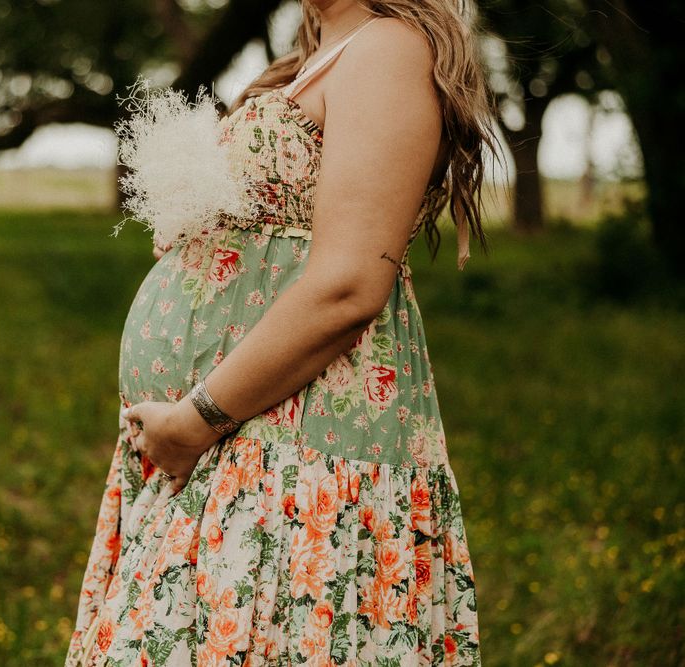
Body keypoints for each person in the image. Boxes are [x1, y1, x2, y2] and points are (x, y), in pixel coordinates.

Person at [66, 0, 496, 664]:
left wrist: (198, 416)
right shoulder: (310, 58)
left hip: (291, 440)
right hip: (242, 441)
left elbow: (349, 283)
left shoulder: (387, 49)